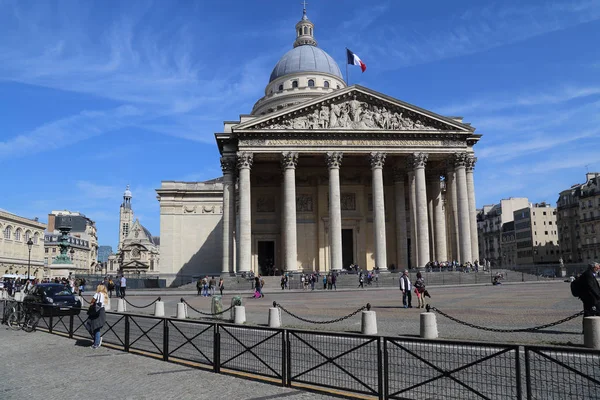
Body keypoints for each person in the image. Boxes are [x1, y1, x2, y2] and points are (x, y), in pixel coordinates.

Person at [86, 284, 107, 349]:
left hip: (96, 311)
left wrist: (92, 303)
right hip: (101, 311)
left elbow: (92, 301)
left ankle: (97, 343)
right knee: (95, 327)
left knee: (91, 326)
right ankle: (97, 339)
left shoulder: (98, 294)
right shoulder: (105, 295)